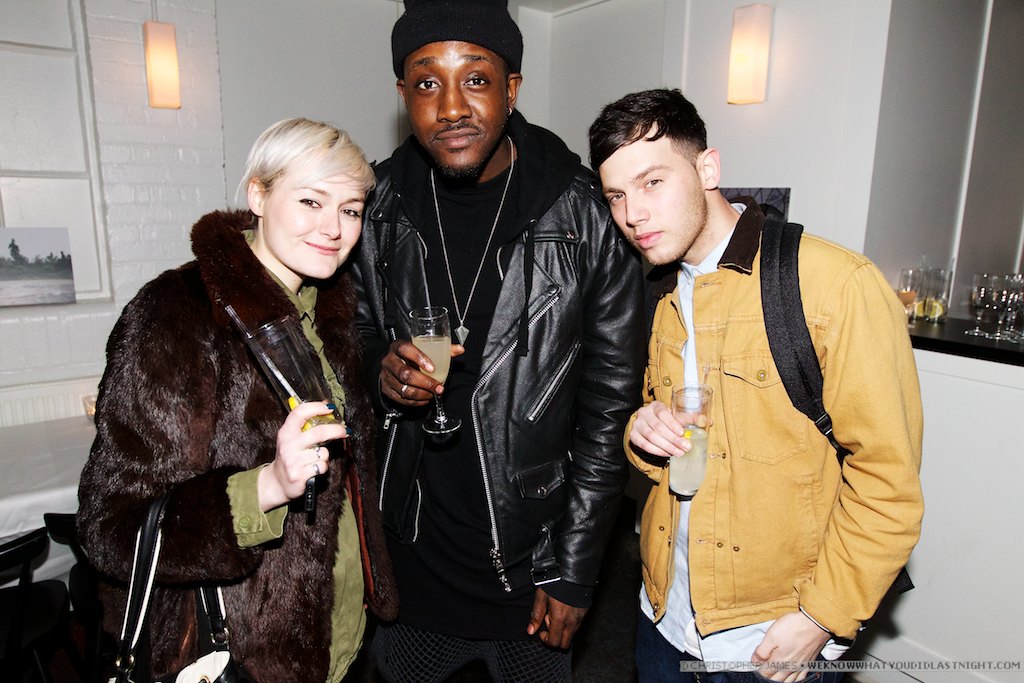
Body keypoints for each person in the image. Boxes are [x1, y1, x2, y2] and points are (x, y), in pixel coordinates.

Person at [350, 1, 645, 680]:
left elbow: (607, 410)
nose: (452, 106)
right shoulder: (376, 205)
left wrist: (575, 570)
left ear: (512, 89)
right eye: (427, 82)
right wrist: (378, 371)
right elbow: (353, 336)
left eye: (476, 79)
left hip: (532, 566)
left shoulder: (582, 213)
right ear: (403, 96)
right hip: (411, 559)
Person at [588, 88, 924, 682]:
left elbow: (887, 484)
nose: (632, 214)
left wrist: (821, 618)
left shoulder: (835, 284)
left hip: (771, 641)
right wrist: (642, 429)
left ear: (708, 169)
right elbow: (662, 438)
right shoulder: (657, 289)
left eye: (652, 182)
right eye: (617, 195)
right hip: (662, 620)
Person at [77, 117, 397, 682]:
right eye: (311, 201)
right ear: (258, 195)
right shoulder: (177, 314)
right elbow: (110, 527)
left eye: (350, 210)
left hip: (341, 635)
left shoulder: (327, 309)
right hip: (239, 656)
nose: (334, 228)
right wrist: (266, 487)